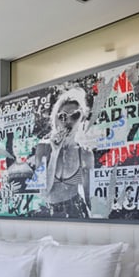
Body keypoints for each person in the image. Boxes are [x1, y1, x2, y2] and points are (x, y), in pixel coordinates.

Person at [34, 87, 94, 218]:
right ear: (56, 119)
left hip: (75, 211)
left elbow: (89, 196)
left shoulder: (85, 153)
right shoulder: (43, 148)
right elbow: (44, 192)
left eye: (75, 115)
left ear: (82, 118)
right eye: (63, 116)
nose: (68, 121)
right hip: (47, 211)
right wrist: (54, 153)